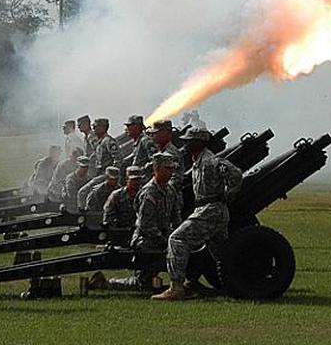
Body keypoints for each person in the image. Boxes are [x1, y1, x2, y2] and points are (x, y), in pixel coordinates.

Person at [153, 126, 242, 301]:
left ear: (199, 142)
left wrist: (228, 194)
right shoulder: (197, 161)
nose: (185, 144)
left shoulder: (209, 160)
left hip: (210, 210)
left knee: (177, 239)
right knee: (221, 254)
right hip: (210, 209)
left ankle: (176, 287)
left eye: (189, 141)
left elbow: (236, 174)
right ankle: (236, 285)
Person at [101, 153, 181, 291]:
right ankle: (108, 283)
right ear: (156, 169)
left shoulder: (170, 191)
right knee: (142, 283)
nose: (171, 172)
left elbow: (176, 219)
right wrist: (164, 240)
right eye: (167, 168)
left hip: (162, 237)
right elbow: (146, 225)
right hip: (146, 240)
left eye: (172, 169)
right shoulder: (148, 193)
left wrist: (176, 236)